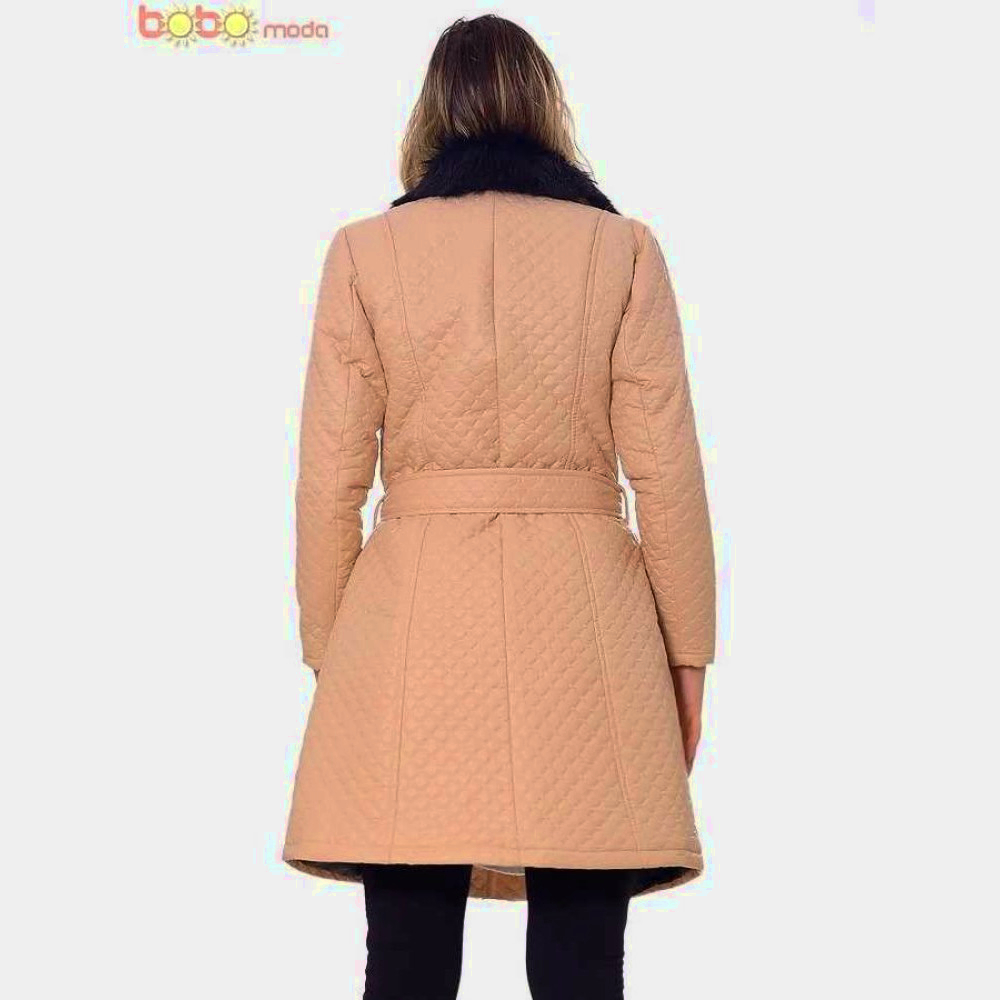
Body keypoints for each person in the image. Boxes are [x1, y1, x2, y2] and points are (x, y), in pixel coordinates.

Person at [281, 13, 716, 1000]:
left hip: (408, 621)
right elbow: (669, 476)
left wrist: (333, 655)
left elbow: (328, 481)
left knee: (404, 965)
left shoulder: (366, 252)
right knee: (581, 968)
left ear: (430, 116)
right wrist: (688, 656)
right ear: (548, 109)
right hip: (587, 626)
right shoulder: (621, 249)